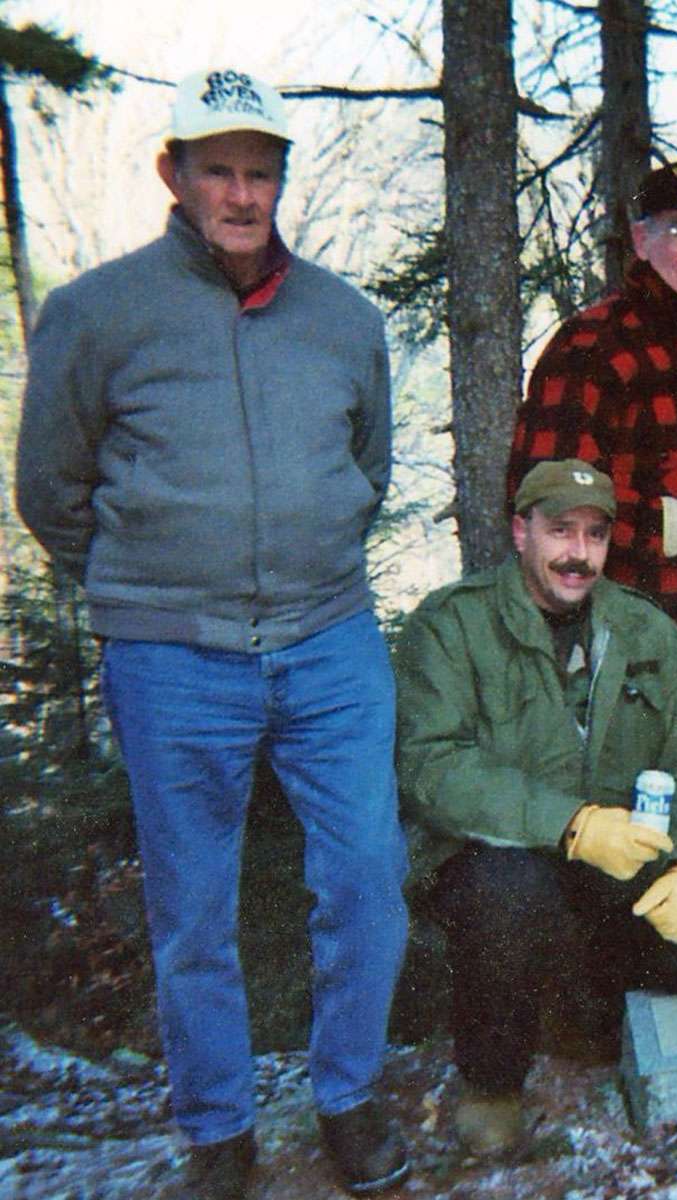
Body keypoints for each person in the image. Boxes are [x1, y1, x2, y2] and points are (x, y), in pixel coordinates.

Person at [14, 69, 409, 1198]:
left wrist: (307, 548)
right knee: (193, 905)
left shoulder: (343, 317)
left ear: (280, 180)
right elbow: (52, 489)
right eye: (219, 170)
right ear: (174, 176)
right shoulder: (96, 313)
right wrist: (149, 591)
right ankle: (218, 1129)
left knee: (368, 876)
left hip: (329, 639)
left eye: (260, 172)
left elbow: (366, 471)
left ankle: (348, 1095)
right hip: (171, 655)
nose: (241, 194)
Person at [396, 460, 677, 1156]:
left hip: (616, 864)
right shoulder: (453, 625)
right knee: (509, 890)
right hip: (501, 861)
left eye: (594, 534)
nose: (578, 553)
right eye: (559, 530)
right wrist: (568, 825)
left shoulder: (645, 630)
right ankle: (493, 1089)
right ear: (520, 531)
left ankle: (586, 1013)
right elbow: (432, 767)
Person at [506, 159, 677, 706]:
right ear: (640, 238)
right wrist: (676, 525)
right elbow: (541, 494)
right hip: (609, 652)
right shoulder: (594, 344)